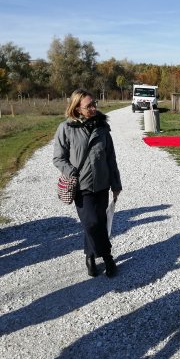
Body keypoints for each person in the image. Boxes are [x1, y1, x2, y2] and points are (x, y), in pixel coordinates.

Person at [53, 89, 122, 278]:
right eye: (88, 106)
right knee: (91, 223)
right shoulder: (66, 128)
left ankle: (90, 257)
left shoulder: (102, 128)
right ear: (77, 108)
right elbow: (58, 159)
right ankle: (108, 257)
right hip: (81, 187)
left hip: (102, 184)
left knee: (98, 222)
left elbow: (110, 158)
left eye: (94, 104)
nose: (93, 108)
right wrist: (71, 171)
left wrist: (116, 184)